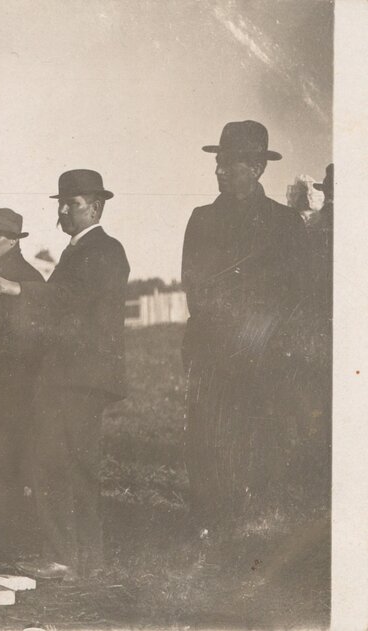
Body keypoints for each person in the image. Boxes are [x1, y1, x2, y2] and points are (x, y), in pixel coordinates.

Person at [0, 169, 129, 581]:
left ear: (95, 208)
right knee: (64, 463)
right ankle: (80, 559)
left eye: (73, 204)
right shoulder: (78, 251)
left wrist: (19, 289)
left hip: (79, 377)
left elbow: (73, 298)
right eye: (62, 203)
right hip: (70, 375)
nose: (63, 210)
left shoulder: (105, 250)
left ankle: (69, 558)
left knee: (63, 464)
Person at [180, 121, 311, 534]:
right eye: (218, 162)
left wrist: (263, 335)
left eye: (228, 163)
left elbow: (298, 295)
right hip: (213, 353)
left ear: (256, 168)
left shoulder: (285, 224)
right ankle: (211, 530)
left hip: (266, 357)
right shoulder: (202, 219)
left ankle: (256, 532)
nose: (218, 170)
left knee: (262, 444)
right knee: (207, 444)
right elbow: (194, 286)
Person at [0, 208, 46, 554]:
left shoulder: (25, 279)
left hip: (16, 385)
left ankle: (14, 541)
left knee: (13, 463)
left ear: (14, 240)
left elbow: (28, 341)